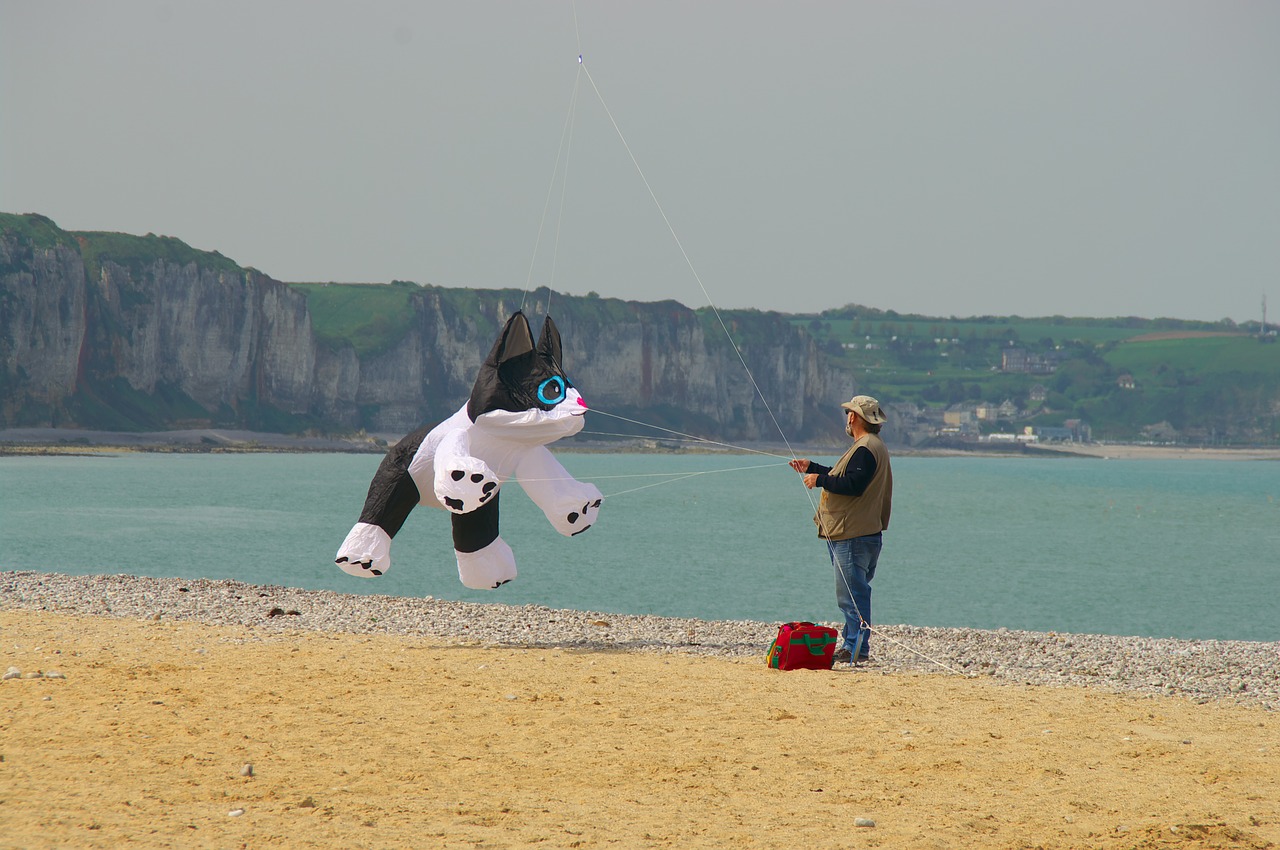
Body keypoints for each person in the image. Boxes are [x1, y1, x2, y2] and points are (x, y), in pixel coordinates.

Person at [789, 395, 893, 664]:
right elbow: (847, 477)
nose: (846, 417)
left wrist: (819, 480)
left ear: (853, 418)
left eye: (849, 413)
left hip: (852, 535)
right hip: (864, 533)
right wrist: (812, 468)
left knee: (851, 595)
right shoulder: (871, 447)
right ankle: (853, 646)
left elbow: (854, 485)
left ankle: (855, 649)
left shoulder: (865, 448)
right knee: (855, 592)